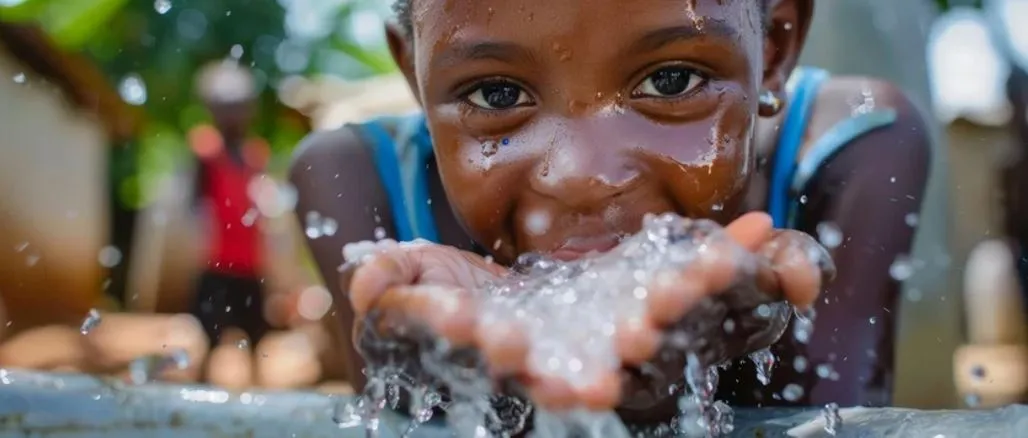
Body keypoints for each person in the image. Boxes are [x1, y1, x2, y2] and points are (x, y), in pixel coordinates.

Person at [290, 0, 930, 426]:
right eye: (498, 93)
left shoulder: (854, 146)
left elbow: (840, 422)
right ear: (415, 75)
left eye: (671, 82)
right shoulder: (358, 183)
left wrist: (763, 331)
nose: (582, 177)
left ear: (777, 42)